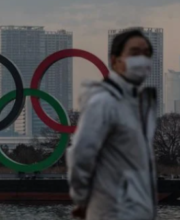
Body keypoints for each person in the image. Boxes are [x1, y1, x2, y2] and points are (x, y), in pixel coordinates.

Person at [67, 29, 157, 220]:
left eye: (147, 54)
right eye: (134, 53)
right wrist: (83, 200)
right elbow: (81, 155)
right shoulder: (103, 102)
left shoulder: (137, 106)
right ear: (115, 60)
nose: (142, 59)